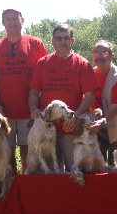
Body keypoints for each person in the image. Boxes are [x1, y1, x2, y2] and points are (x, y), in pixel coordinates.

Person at [28, 23, 99, 172]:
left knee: (75, 169)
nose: (62, 42)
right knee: (51, 171)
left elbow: (90, 95)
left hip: (70, 129)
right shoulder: (43, 63)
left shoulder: (82, 64)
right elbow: (34, 92)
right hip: (46, 129)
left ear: (72, 41)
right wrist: (33, 108)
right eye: (58, 38)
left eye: (66, 38)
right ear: (53, 41)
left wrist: (76, 116)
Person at [0, 8, 47, 175]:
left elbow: (44, 76)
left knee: (28, 150)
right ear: (3, 23)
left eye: (15, 19)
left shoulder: (36, 44)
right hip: (3, 113)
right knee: (7, 152)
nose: (12, 22)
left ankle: (26, 184)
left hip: (29, 111)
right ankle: (11, 186)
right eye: (8, 19)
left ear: (22, 20)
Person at [87, 40, 117, 164]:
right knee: (96, 164)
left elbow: (116, 106)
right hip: (96, 127)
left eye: (104, 52)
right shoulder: (89, 74)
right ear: (92, 55)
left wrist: (103, 121)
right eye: (96, 52)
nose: (99, 55)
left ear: (112, 56)